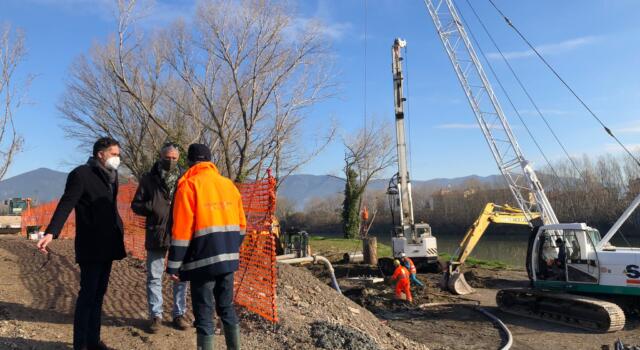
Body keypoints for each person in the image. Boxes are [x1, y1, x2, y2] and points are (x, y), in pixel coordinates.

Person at [36, 137, 126, 350]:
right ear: (100, 154)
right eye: (114, 154)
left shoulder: (112, 176)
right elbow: (67, 203)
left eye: (118, 154)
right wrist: (51, 232)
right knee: (88, 295)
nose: (117, 158)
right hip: (91, 244)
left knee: (99, 295)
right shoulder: (81, 174)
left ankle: (93, 342)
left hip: (109, 244)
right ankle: (80, 344)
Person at [167, 144, 246, 350]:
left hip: (201, 263)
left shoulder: (189, 185)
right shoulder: (229, 185)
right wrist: (228, 249)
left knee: (204, 313)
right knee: (227, 308)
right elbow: (242, 227)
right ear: (210, 161)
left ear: (190, 162)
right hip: (228, 261)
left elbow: (182, 231)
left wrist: (174, 265)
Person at [131, 143, 189, 333]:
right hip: (156, 233)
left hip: (180, 234)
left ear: (178, 158)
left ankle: (179, 315)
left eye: (174, 158)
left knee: (180, 277)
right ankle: (156, 316)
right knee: (154, 276)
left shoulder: (184, 179)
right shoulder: (148, 179)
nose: (171, 161)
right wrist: (151, 207)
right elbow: (136, 205)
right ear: (161, 156)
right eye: (167, 157)